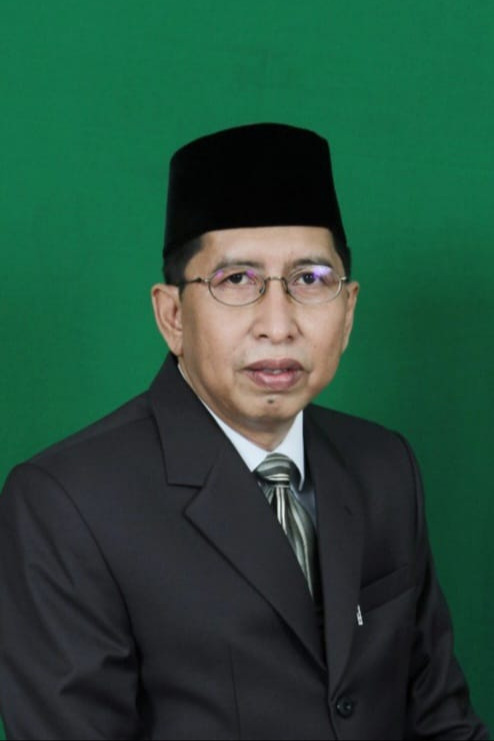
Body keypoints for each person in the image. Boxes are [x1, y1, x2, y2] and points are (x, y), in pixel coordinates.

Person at [0, 123, 488, 740]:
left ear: (348, 311)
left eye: (311, 279)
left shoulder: (384, 465)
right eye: (237, 281)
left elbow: (441, 719)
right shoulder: (66, 504)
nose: (278, 325)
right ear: (172, 315)